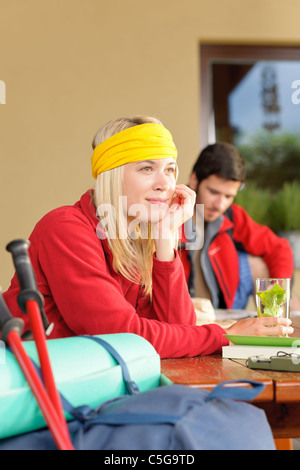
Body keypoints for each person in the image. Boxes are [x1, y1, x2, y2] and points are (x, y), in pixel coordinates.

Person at [2, 118, 293, 358]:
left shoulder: (137, 235)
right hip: (38, 390)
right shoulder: (65, 229)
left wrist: (166, 238)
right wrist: (223, 333)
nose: (164, 183)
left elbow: (178, 329)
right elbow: (123, 336)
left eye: (169, 169)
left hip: (90, 384)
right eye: (146, 168)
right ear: (112, 174)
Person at [180, 141, 298, 311]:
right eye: (214, 192)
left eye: (229, 196)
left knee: (279, 285)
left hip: (225, 303)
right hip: (185, 310)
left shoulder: (232, 216)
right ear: (194, 180)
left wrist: (278, 289)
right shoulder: (170, 214)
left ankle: (281, 330)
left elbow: (279, 248)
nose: (220, 204)